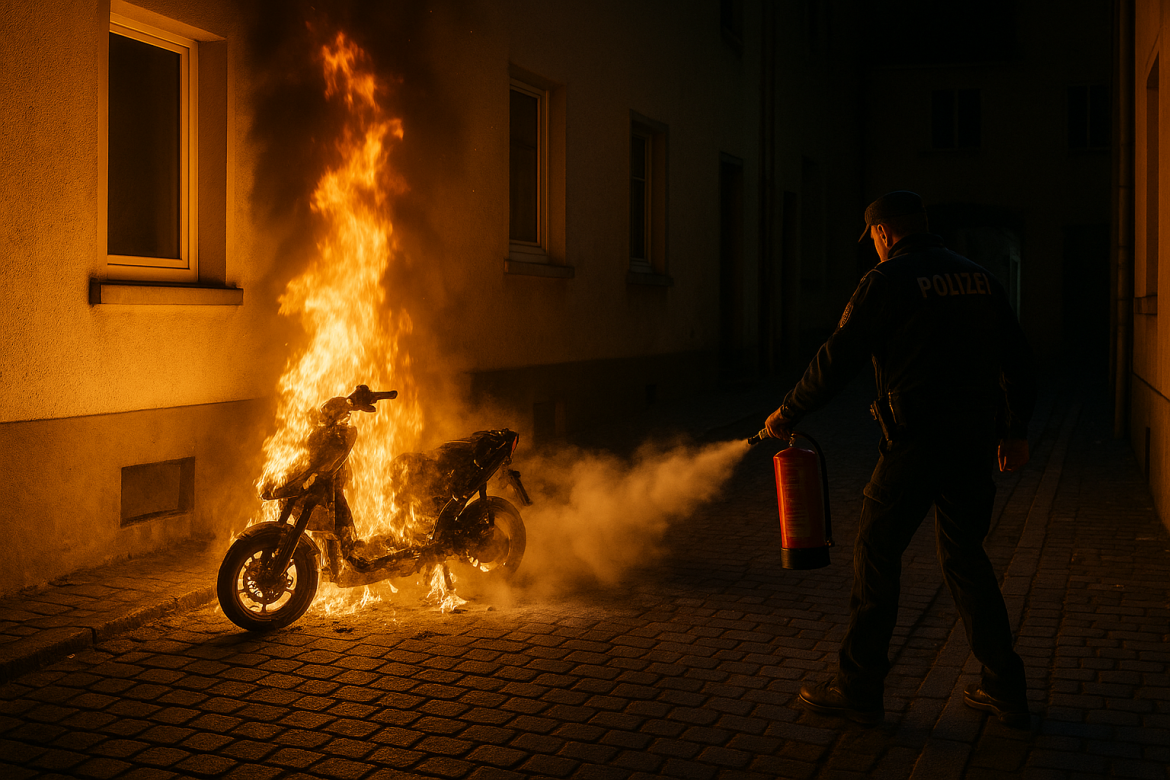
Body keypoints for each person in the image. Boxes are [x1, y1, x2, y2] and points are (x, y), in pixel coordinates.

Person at [764, 191, 1036, 729]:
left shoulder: (885, 281)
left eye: (875, 242)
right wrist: (1016, 430)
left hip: (915, 442)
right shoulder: (978, 277)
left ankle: (858, 686)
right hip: (973, 443)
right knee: (966, 561)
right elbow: (1018, 356)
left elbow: (835, 359)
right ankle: (1006, 686)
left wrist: (788, 410)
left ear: (884, 234)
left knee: (876, 555)